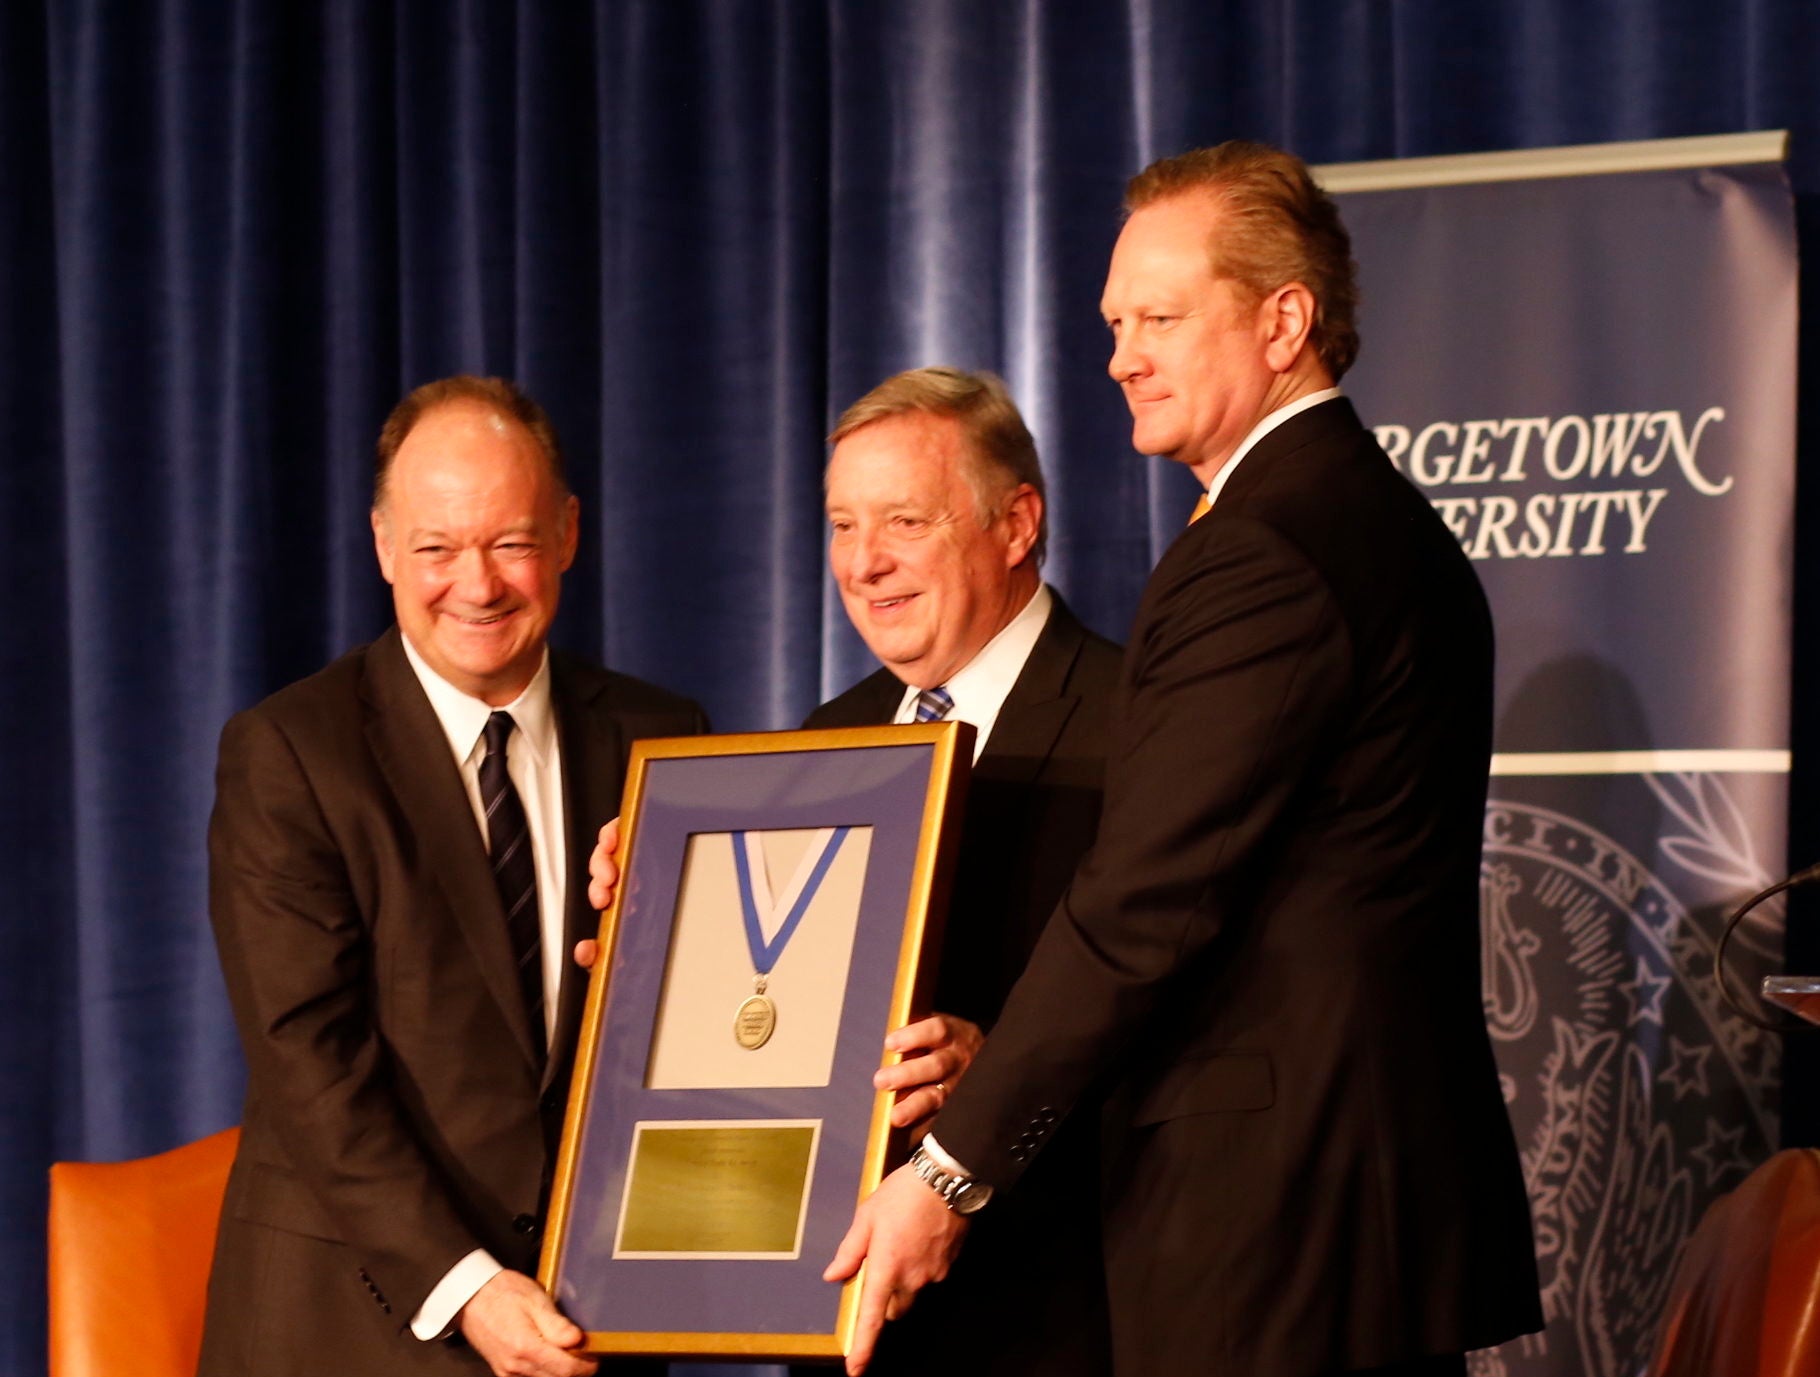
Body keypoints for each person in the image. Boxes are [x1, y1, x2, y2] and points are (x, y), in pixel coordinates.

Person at [827, 143, 1543, 1377]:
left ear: (1283, 321)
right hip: (1344, 1204)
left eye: (1157, 317)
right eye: (1113, 322)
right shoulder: (1360, 517)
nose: (1117, 356)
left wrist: (946, 1175)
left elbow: (1145, 902)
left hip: (1279, 1215)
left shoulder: (1265, 551)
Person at [587, 367, 1121, 1376]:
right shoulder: (825, 739)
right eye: (841, 526)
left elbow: (1204, 1034)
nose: (863, 563)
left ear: (1016, 524)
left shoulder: (1137, 721)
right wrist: (654, 933)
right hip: (853, 1334)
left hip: (1060, 1314)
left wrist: (994, 1071)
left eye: (903, 522)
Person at [199, 375, 707, 1377]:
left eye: (510, 542)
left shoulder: (664, 738)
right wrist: (466, 1284)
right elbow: (309, 1061)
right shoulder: (291, 753)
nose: (475, 585)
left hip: (594, 1332)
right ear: (385, 545)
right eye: (436, 548)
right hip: (356, 1327)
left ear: (566, 533)